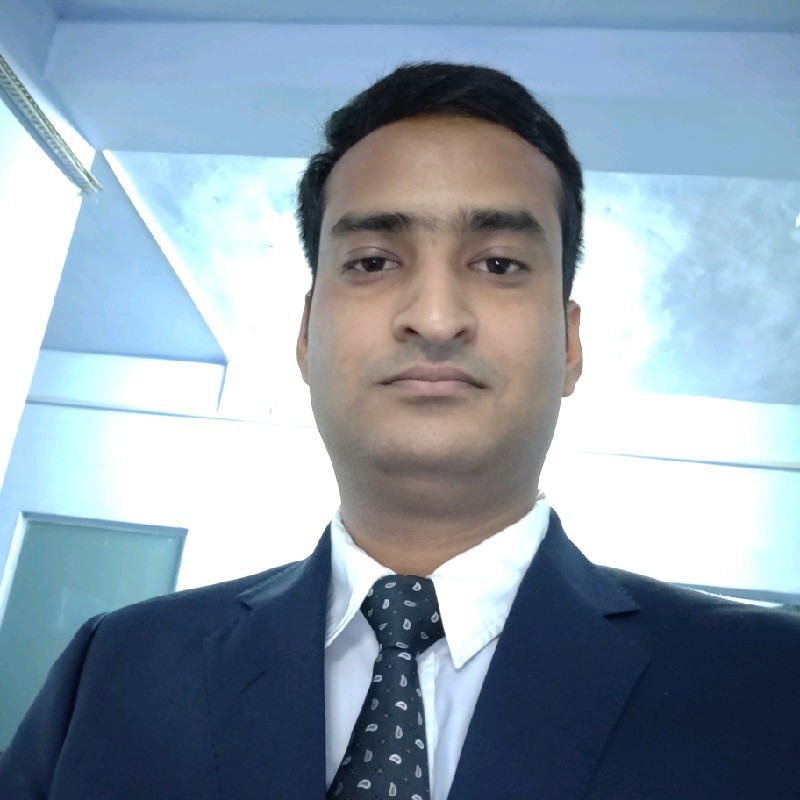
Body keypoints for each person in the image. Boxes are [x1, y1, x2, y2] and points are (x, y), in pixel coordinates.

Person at [1, 61, 799, 800]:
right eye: (374, 261)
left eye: (499, 264)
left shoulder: (770, 685)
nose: (435, 318)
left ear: (570, 344)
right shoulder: (112, 673)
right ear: (306, 335)